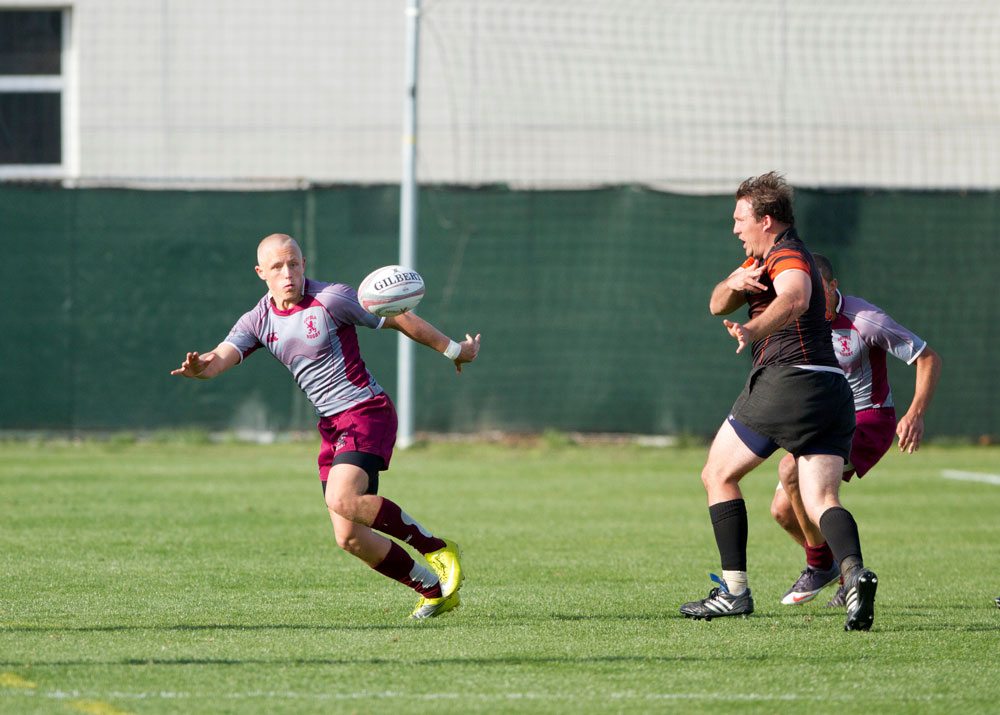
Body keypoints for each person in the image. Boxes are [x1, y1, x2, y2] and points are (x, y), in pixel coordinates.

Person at [171, 233, 481, 620]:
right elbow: (219, 358)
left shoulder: (332, 298)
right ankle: (433, 591)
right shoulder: (258, 319)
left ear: (304, 264)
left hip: (365, 410)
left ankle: (437, 549)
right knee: (349, 536)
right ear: (261, 272)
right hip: (331, 426)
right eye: (277, 267)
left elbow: (399, 317)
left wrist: (454, 349)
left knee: (342, 498)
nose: (288, 273)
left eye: (294, 264)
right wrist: (201, 369)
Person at [679, 171, 878, 631]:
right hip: (831, 390)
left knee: (717, 474)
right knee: (821, 497)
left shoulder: (787, 255)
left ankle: (733, 592)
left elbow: (794, 298)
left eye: (740, 219)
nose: (735, 228)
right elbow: (716, 305)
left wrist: (752, 329)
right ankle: (854, 575)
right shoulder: (762, 259)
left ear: (765, 220)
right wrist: (733, 282)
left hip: (788, 381)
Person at [773, 254, 942, 607]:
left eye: (817, 290)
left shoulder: (865, 320)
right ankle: (840, 573)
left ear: (833, 286)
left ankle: (822, 566)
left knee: (790, 471)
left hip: (867, 420)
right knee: (783, 512)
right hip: (822, 422)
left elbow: (927, 357)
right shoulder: (796, 317)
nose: (810, 298)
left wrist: (915, 413)